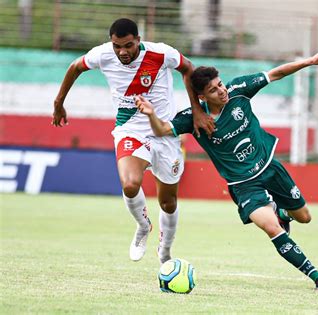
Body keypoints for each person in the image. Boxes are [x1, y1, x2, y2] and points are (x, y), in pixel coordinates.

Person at [135, 48, 318, 290]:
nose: (221, 91)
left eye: (220, 85)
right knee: (271, 228)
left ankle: (281, 212)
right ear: (201, 97)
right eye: (213, 90)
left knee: (304, 217)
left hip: (270, 167)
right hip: (243, 186)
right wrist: (150, 115)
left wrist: (311, 61)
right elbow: (162, 130)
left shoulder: (239, 90)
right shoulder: (194, 118)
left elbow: (276, 74)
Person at [52, 18, 214, 262]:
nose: (122, 52)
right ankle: (143, 226)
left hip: (165, 132)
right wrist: (58, 102)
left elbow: (189, 69)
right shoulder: (103, 55)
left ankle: (166, 250)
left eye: (128, 45)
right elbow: (75, 66)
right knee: (130, 184)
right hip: (130, 131)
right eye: (117, 46)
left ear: (138, 40)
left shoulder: (161, 53)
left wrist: (198, 109)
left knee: (168, 203)